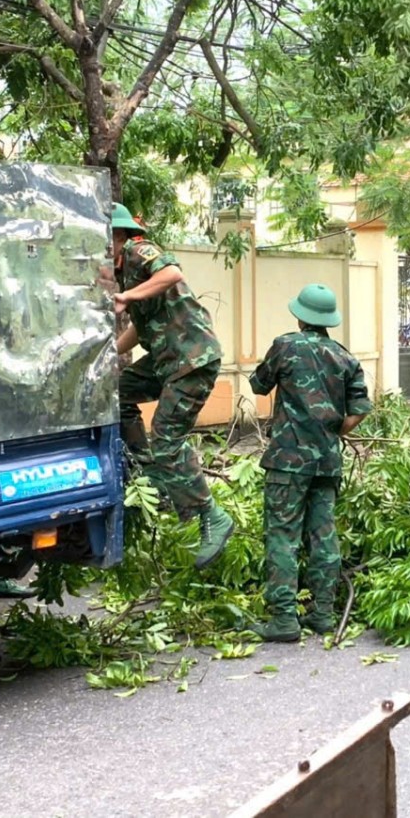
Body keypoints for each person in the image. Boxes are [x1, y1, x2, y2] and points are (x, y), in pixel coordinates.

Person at [246, 284, 372, 642]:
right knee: (324, 536)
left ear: (300, 316)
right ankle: (322, 614)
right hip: (327, 462)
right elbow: (360, 409)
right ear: (328, 320)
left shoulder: (286, 345)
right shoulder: (346, 358)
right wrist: (330, 432)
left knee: (283, 536)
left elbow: (258, 385)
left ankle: (284, 619)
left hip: (288, 461)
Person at [112, 203, 234, 570]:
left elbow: (171, 272)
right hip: (167, 357)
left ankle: (211, 515)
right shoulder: (120, 274)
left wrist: (129, 296)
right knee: (116, 392)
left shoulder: (138, 251)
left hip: (191, 357)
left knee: (167, 436)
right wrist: (109, 353)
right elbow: (140, 327)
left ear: (119, 236)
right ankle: (151, 468)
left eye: (108, 237)